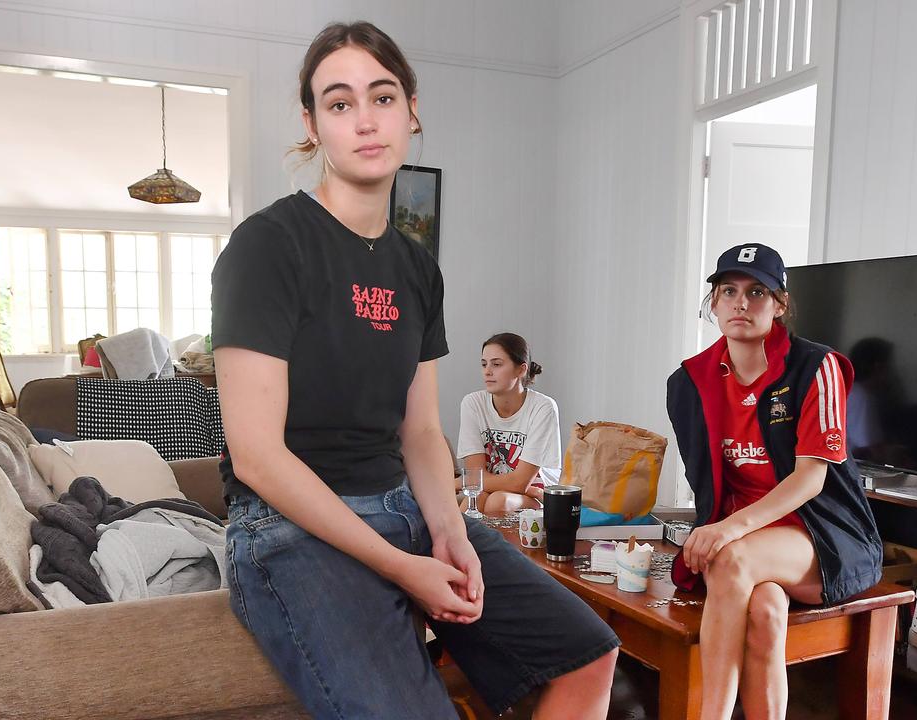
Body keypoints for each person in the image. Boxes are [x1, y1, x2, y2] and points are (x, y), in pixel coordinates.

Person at [211, 21, 618, 720]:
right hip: (286, 526)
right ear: (312, 125)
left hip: (399, 503)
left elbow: (423, 432)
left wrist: (451, 532)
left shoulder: (415, 267)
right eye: (339, 104)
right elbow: (256, 456)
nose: (365, 120)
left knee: (588, 651)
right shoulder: (267, 246)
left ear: (412, 109)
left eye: (383, 96)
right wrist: (402, 568)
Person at [666, 243, 882, 720]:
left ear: (780, 304)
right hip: (752, 537)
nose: (741, 303)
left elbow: (811, 478)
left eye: (757, 292)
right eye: (729, 291)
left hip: (822, 533)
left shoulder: (816, 367)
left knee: (732, 557)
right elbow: (706, 481)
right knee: (764, 613)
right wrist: (716, 527)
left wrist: (725, 530)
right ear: (715, 304)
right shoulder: (689, 382)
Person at [456, 332, 561, 514]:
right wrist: (469, 482)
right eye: (484, 364)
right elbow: (475, 478)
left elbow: (520, 483)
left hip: (535, 494)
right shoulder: (472, 403)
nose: (487, 371)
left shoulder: (543, 407)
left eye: (496, 364)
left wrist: (459, 482)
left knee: (499, 501)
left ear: (521, 370)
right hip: (490, 490)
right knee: (475, 500)